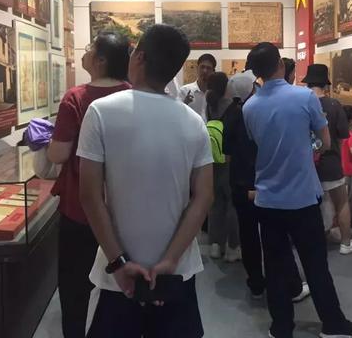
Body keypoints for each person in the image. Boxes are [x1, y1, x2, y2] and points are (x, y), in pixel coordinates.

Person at [78, 24, 214, 338]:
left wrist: (118, 262)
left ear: (138, 57)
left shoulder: (101, 112)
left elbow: (90, 194)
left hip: (117, 276)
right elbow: (204, 196)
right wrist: (170, 260)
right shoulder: (194, 122)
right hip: (177, 273)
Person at [243, 43, 352, 338]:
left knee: (275, 267)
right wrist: (307, 146)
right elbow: (325, 142)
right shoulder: (304, 97)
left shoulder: (249, 107)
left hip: (268, 200)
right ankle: (333, 324)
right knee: (315, 265)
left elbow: (257, 145)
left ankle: (281, 327)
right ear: (280, 65)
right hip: (301, 198)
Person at [47, 32, 131, 338]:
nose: (84, 53)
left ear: (101, 60)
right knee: (120, 285)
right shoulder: (133, 94)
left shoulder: (76, 97)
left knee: (74, 287)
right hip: (121, 208)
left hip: (79, 208)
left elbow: (58, 154)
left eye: (89, 49)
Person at [222, 67, 310, 302]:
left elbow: (228, 153)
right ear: (252, 87)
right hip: (264, 182)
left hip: (239, 185)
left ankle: (256, 285)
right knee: (276, 235)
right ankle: (291, 286)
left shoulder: (230, 114)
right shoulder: (258, 110)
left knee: (248, 236)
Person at [303, 64, 352, 256]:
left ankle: (312, 242)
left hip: (306, 163)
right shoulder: (334, 105)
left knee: (309, 206)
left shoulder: (301, 102)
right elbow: (342, 137)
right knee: (341, 202)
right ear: (325, 83)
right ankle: (346, 242)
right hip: (330, 162)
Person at [205, 72, 241, 262]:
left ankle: (214, 245)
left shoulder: (210, 105)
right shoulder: (233, 107)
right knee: (231, 204)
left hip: (212, 160)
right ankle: (233, 247)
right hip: (230, 161)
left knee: (215, 203)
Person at [178, 53, 217, 121]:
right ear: (197, 68)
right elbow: (177, 114)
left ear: (213, 71)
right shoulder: (184, 91)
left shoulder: (215, 93)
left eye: (208, 68)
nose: (205, 71)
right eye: (202, 67)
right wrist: (185, 103)